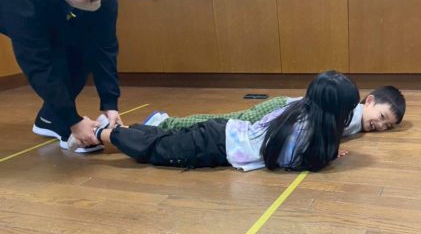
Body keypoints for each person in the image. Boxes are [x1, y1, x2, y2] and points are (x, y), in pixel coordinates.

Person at [93, 71, 359, 172]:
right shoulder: (304, 131)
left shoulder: (299, 109)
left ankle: (120, 131)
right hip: (214, 145)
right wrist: (326, 153)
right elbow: (293, 160)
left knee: (163, 140)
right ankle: (100, 134)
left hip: (222, 133)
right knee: (156, 150)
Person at [0, 0, 122, 153]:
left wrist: (110, 103)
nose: (97, 2)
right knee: (55, 58)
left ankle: (50, 118)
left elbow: (105, 45)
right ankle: (62, 119)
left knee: (80, 52)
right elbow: (38, 64)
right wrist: (72, 121)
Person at [149, 85, 406, 135]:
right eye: (382, 117)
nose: (380, 125)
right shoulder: (352, 112)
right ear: (369, 101)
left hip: (283, 113)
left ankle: (168, 124)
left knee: (228, 122)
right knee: (227, 121)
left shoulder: (356, 120)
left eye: (388, 126)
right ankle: (166, 122)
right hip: (280, 110)